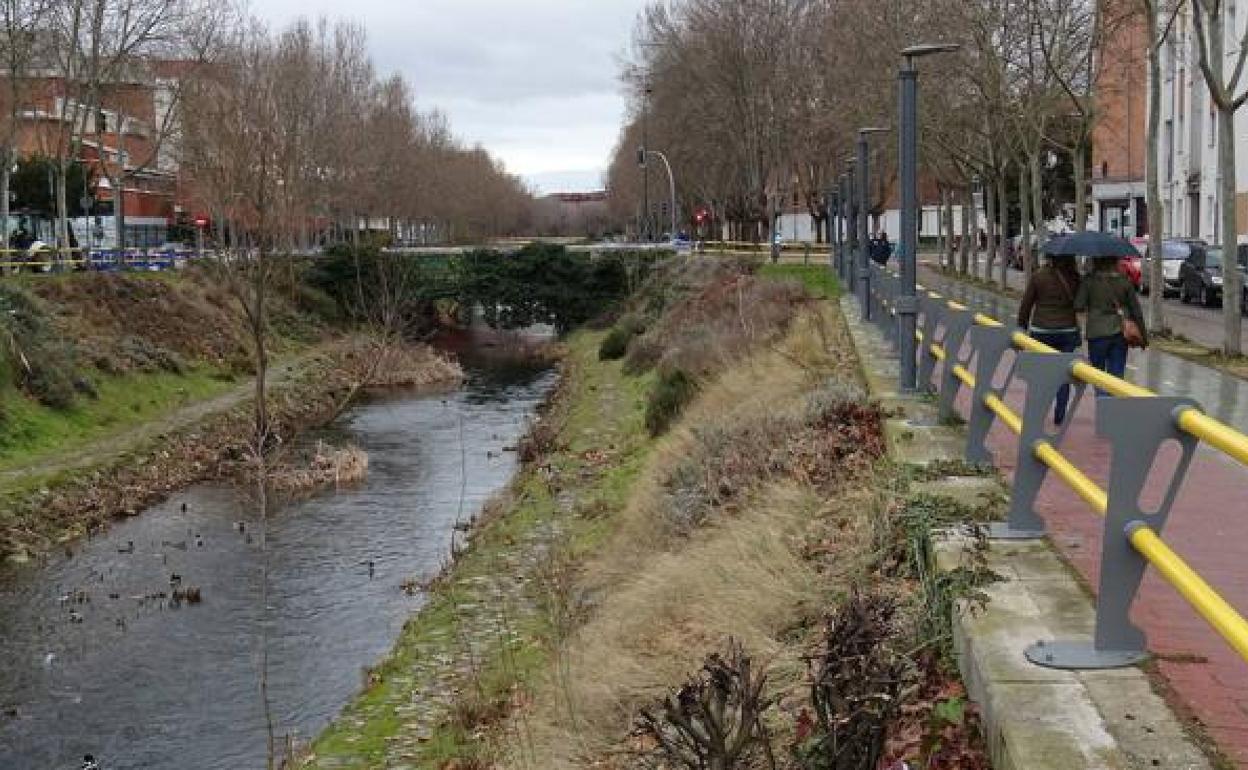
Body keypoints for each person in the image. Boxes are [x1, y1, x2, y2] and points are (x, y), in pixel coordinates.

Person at [1018, 254, 1082, 423]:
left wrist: (1022, 326)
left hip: (1041, 330)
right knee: (1064, 374)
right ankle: (1060, 415)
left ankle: (1036, 412)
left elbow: (1026, 304)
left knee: (1040, 373)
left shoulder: (1038, 276)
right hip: (1067, 331)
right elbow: (1080, 304)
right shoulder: (1075, 277)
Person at [1075, 255, 1148, 393]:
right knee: (1116, 377)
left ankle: (1102, 401)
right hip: (1120, 332)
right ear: (1115, 261)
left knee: (1097, 376)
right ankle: (1112, 403)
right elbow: (1136, 311)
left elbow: (1079, 305)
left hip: (1097, 333)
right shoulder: (1124, 282)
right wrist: (1143, 336)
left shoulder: (1089, 281)